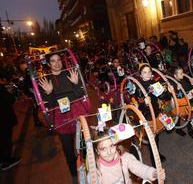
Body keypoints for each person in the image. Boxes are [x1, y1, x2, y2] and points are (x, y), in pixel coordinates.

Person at [39, 54, 90, 183]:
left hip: (77, 115)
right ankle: (74, 176)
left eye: (58, 60)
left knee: (85, 146)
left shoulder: (70, 73)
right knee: (68, 151)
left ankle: (90, 171)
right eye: (53, 61)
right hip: (62, 121)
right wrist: (50, 93)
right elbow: (48, 106)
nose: (56, 63)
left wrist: (76, 84)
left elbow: (81, 95)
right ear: (49, 64)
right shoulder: (46, 80)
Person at [92, 129, 165, 184]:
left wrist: (153, 173)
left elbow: (139, 168)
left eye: (111, 146)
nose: (109, 152)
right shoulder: (96, 169)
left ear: (116, 144)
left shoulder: (125, 157)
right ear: (97, 151)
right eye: (103, 149)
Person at [135, 64, 173, 166]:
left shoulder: (154, 83)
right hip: (147, 116)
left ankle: (157, 154)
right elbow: (140, 105)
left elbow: (164, 96)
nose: (147, 74)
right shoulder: (139, 87)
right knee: (153, 139)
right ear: (141, 75)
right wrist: (144, 102)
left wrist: (169, 92)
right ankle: (154, 161)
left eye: (149, 72)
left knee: (156, 137)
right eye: (145, 72)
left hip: (156, 113)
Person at [0, 70, 22, 171]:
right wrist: (10, 92)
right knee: (6, 140)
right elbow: (10, 99)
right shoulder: (1, 88)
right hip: (4, 119)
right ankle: (6, 161)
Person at [172, 67, 193, 139]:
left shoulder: (183, 80)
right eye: (181, 73)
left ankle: (190, 131)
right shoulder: (172, 82)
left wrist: (192, 83)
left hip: (185, 101)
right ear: (175, 76)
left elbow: (188, 88)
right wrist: (177, 89)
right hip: (177, 103)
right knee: (178, 116)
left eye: (183, 72)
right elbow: (171, 94)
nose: (183, 74)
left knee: (188, 116)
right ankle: (178, 129)